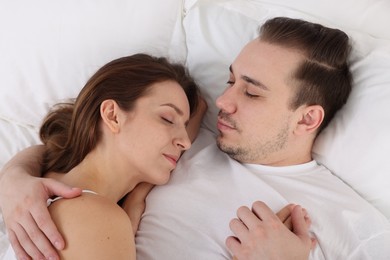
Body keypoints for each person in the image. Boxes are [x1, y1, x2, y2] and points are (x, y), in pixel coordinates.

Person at [1, 17, 390, 259]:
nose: (225, 101)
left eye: (252, 93)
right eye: (230, 80)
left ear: (307, 119)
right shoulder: (190, 141)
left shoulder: (354, 225)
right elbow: (88, 145)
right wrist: (16, 178)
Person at [0, 53, 206, 259]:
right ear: (112, 115)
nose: (186, 143)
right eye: (168, 119)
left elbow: (201, 107)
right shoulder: (95, 219)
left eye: (184, 127)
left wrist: (137, 194)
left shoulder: (45, 183)